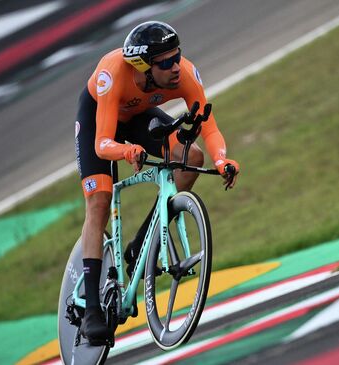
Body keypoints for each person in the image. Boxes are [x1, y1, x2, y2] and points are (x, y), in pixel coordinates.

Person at [74, 20, 239, 345]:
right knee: (100, 202)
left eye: (177, 57)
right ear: (144, 67)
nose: (176, 67)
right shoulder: (114, 72)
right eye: (166, 63)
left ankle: (141, 245)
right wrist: (126, 151)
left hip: (137, 119)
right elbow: (101, 143)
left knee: (192, 159)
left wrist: (222, 159)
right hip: (100, 120)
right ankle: (92, 308)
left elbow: (210, 128)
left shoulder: (185, 74)